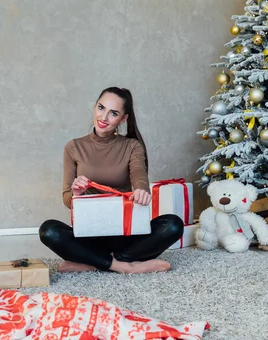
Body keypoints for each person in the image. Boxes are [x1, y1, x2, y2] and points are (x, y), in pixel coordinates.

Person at [39, 87, 184, 274]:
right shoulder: (74, 147)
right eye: (101, 108)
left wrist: (141, 189)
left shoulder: (132, 146)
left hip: (124, 233)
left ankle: (93, 263)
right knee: (49, 230)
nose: (104, 117)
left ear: (123, 119)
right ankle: (124, 265)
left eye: (113, 113)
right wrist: (76, 194)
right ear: (94, 107)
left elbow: (139, 174)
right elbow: (67, 199)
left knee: (173, 225)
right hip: (88, 234)